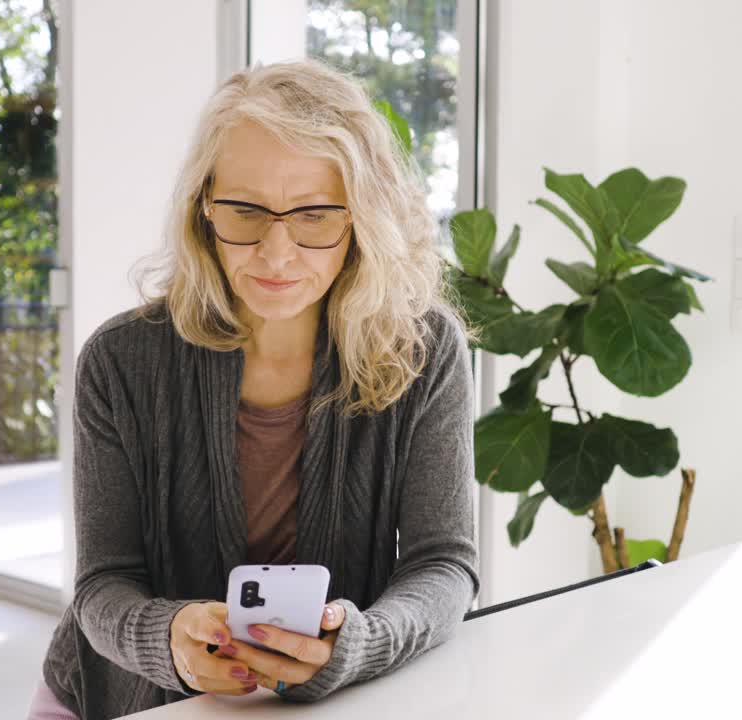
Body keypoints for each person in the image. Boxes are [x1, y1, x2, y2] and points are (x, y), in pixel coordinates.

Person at [27, 58, 479, 719]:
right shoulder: (118, 362)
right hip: (121, 699)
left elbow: (445, 565)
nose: (275, 253)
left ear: (362, 218)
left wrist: (360, 642)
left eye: (314, 216)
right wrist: (167, 641)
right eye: (244, 210)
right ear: (204, 207)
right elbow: (102, 586)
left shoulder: (426, 350)